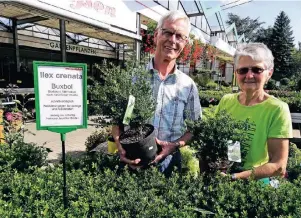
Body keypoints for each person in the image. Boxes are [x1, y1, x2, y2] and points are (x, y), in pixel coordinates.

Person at [112, 10, 201, 176]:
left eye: (179, 36)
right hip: (134, 160)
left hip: (170, 163)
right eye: (167, 32)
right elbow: (119, 121)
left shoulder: (188, 86)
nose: (172, 40)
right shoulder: (133, 79)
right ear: (156, 35)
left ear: (185, 43)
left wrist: (174, 145)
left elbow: (194, 128)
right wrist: (119, 145)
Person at [216, 43, 292, 183]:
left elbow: (278, 166)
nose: (249, 75)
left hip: (258, 184)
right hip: (225, 179)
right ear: (236, 73)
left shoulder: (277, 109)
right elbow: (220, 144)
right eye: (243, 70)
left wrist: (236, 177)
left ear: (269, 73)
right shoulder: (227, 102)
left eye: (257, 70)